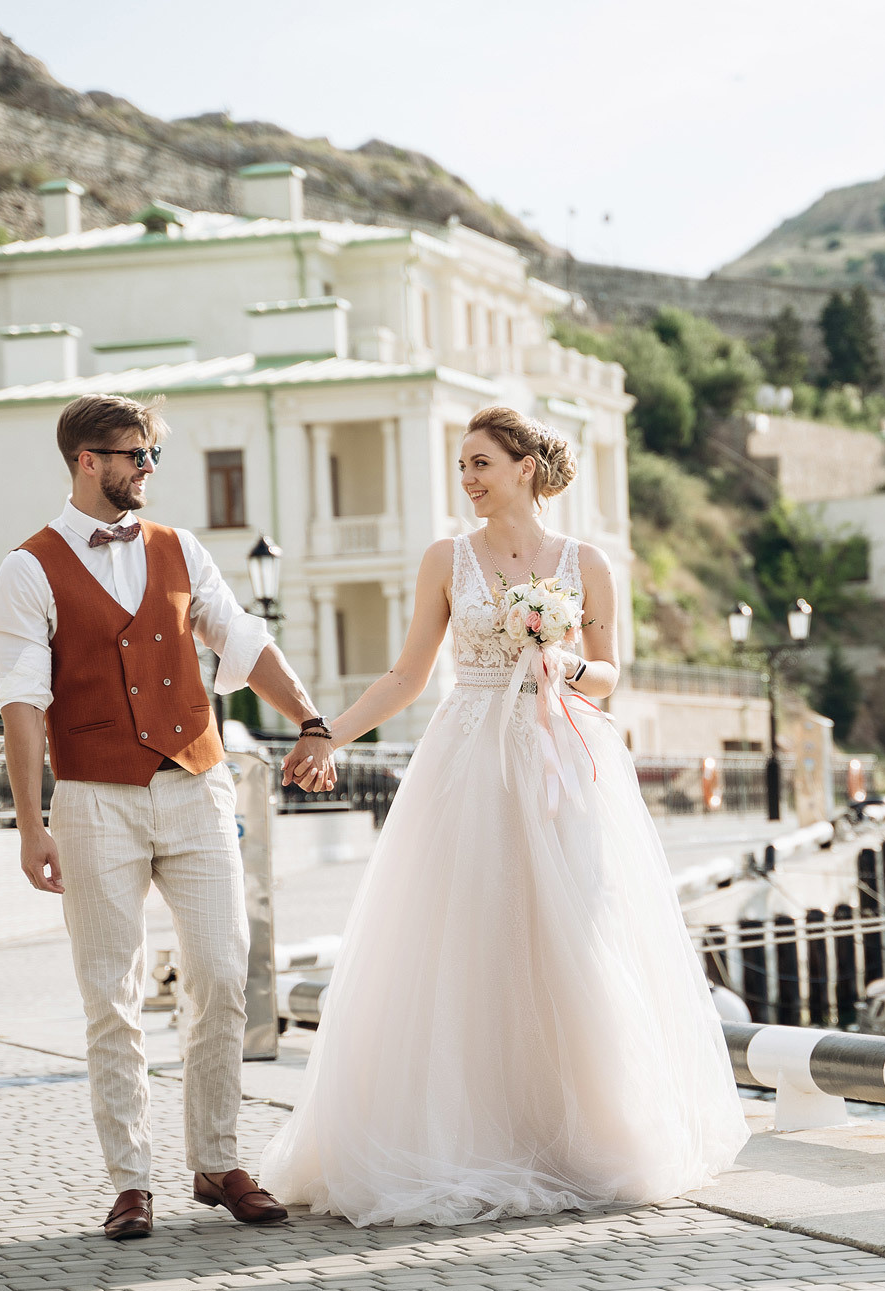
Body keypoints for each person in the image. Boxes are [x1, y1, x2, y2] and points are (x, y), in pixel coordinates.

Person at [260, 405, 749, 1226]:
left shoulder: (585, 561)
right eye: (462, 466)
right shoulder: (445, 560)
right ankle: (462, 1134)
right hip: (469, 759)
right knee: (468, 938)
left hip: (562, 760)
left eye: (481, 462)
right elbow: (408, 675)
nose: (468, 479)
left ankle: (581, 1134)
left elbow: (609, 674)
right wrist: (325, 732)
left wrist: (562, 659)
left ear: (525, 465)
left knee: (571, 934)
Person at [0, 393, 336, 1241]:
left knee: (221, 971)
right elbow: (22, 704)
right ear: (86, 461)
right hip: (94, 799)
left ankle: (217, 1160)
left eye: (152, 455)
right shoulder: (27, 568)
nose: (147, 469)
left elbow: (243, 642)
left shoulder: (182, 549)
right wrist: (32, 823)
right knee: (112, 993)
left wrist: (311, 719)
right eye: (133, 455)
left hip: (195, 783)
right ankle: (131, 1178)